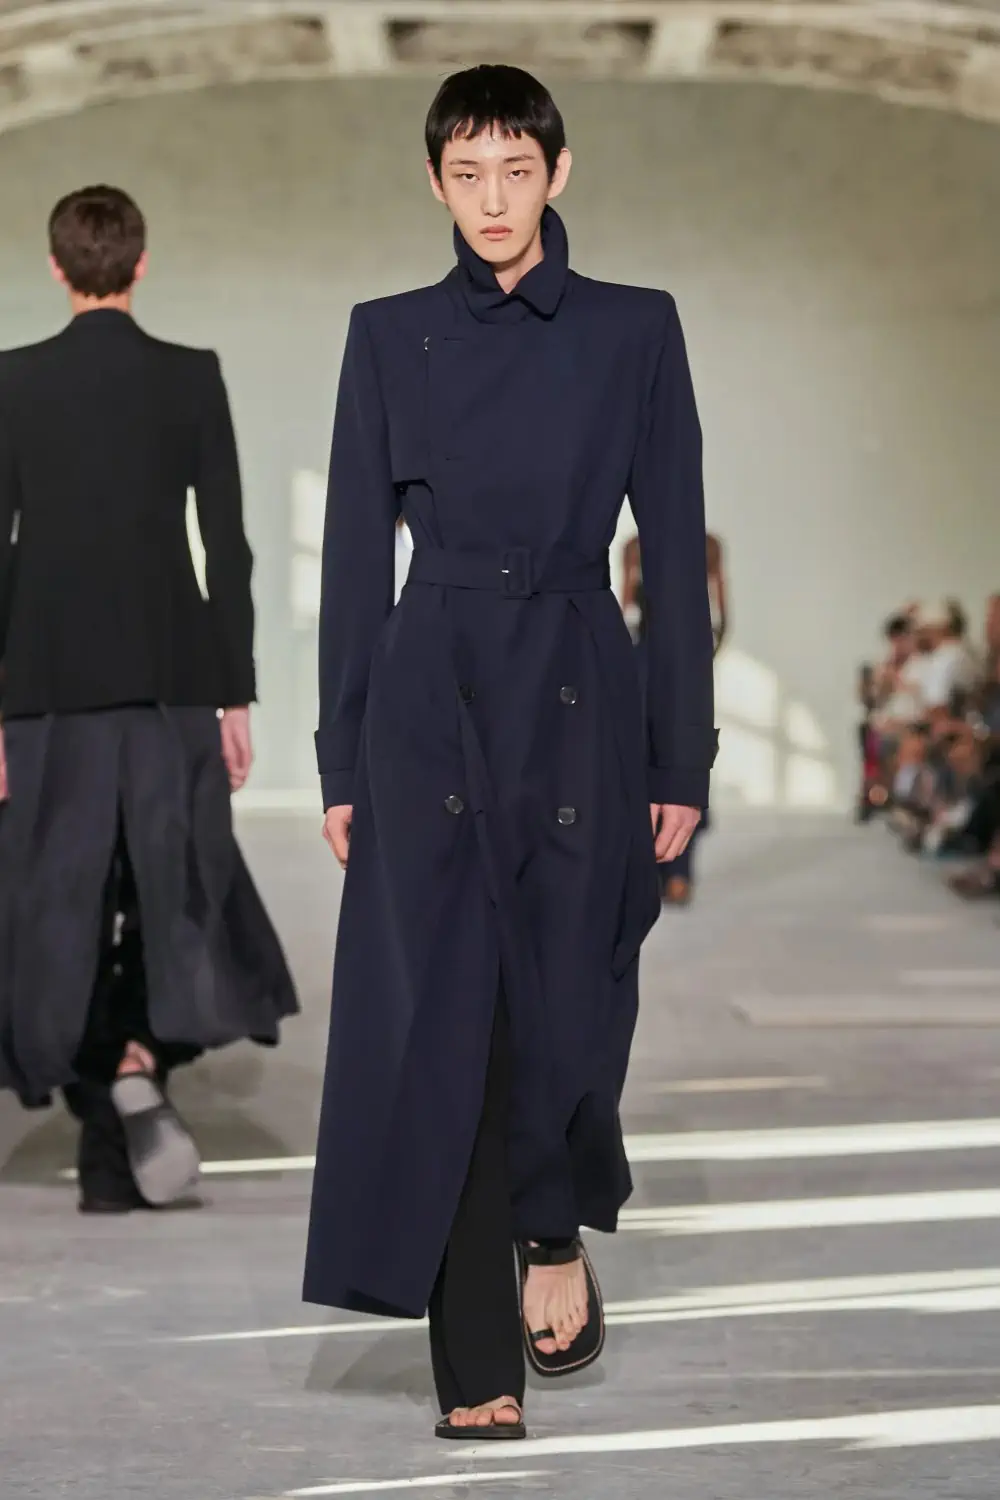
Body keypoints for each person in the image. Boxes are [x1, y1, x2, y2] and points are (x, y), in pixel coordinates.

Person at [303, 66, 716, 1440]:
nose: (492, 199)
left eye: (516, 171)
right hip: (431, 692)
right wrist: (341, 759)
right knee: (453, 1018)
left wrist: (681, 757)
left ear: (558, 173)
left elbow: (670, 550)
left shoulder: (635, 328)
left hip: (581, 678)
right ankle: (475, 1359)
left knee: (576, 995)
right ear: (434, 181)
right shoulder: (387, 335)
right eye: (467, 174)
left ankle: (552, 1218)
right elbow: (353, 558)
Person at [0, 185, 298, 1213]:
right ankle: (137, 1058)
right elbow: (227, 545)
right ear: (141, 262)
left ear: (56, 267)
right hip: (171, 680)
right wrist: (235, 694)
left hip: (44, 689)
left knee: (60, 902)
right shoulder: (189, 375)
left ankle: (105, 1109)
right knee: (172, 891)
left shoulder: (13, 381)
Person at [622, 530, 724, 903]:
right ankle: (678, 874)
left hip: (644, 659)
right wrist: (704, 657)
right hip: (684, 660)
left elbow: (624, 608)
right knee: (682, 752)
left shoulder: (635, 546)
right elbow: (723, 613)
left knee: (646, 754)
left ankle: (657, 868)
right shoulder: (708, 546)